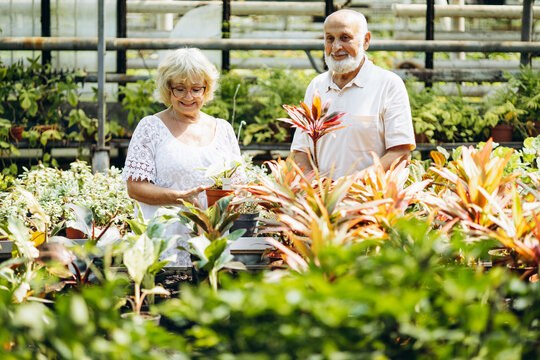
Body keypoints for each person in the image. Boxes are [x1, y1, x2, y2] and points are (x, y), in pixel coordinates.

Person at [122, 47, 243, 266]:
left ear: (206, 89)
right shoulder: (151, 127)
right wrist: (180, 196)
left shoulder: (222, 130)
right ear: (168, 89)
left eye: (196, 89)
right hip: (165, 250)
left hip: (213, 248)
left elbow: (237, 187)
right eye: (180, 89)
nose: (189, 97)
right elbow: (135, 188)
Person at [290, 9, 415, 180]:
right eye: (330, 38)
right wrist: (314, 184)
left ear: (365, 41)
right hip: (321, 201)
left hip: (369, 200)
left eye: (345, 38)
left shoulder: (388, 84)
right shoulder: (316, 86)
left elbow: (401, 152)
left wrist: (351, 184)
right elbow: (300, 150)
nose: (336, 47)